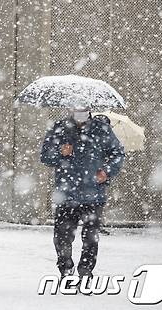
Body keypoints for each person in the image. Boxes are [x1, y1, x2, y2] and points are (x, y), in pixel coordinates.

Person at [41, 108, 125, 283]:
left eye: (83, 108)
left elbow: (117, 153)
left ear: (89, 110)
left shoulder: (102, 129)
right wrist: (60, 152)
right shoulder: (60, 128)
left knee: (91, 238)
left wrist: (107, 171)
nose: (80, 112)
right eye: (77, 108)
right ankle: (65, 268)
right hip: (66, 194)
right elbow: (45, 156)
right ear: (71, 108)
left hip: (93, 194)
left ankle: (86, 270)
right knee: (62, 236)